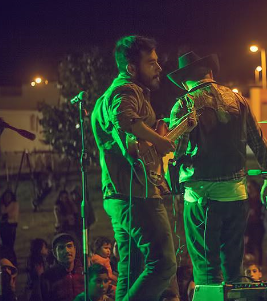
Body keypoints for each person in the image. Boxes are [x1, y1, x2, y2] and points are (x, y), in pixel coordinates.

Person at [168, 51, 267, 286]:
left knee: (207, 270)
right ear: (210, 72)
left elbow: (176, 152)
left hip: (201, 198)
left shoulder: (185, 103)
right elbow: (259, 142)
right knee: (233, 268)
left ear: (184, 78)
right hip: (237, 196)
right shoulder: (239, 100)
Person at [91, 35, 178, 301]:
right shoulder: (125, 91)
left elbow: (130, 137)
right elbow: (124, 118)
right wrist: (160, 141)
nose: (159, 67)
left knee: (131, 271)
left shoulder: (119, 92)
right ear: (131, 68)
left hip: (122, 194)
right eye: (151, 63)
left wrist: (156, 132)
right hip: (136, 194)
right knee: (164, 264)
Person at [31, 233, 84, 301]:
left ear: (75, 249)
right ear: (55, 253)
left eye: (69, 246)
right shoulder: (47, 278)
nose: (67, 251)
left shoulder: (85, 273)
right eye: (61, 248)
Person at [244, 180, 264, 266]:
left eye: (250, 187)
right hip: (249, 225)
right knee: (248, 244)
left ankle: (259, 264)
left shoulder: (259, 198)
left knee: (258, 245)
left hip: (258, 224)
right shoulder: (247, 199)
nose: (248, 189)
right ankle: (251, 265)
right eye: (247, 187)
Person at [0, 189, 18, 259]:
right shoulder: (2, 205)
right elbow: (1, 214)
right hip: (3, 227)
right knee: (4, 244)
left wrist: (5, 216)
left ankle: (12, 259)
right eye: (6, 197)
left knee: (10, 245)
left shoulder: (14, 204)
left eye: (9, 196)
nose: (7, 198)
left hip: (11, 227)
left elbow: (12, 215)